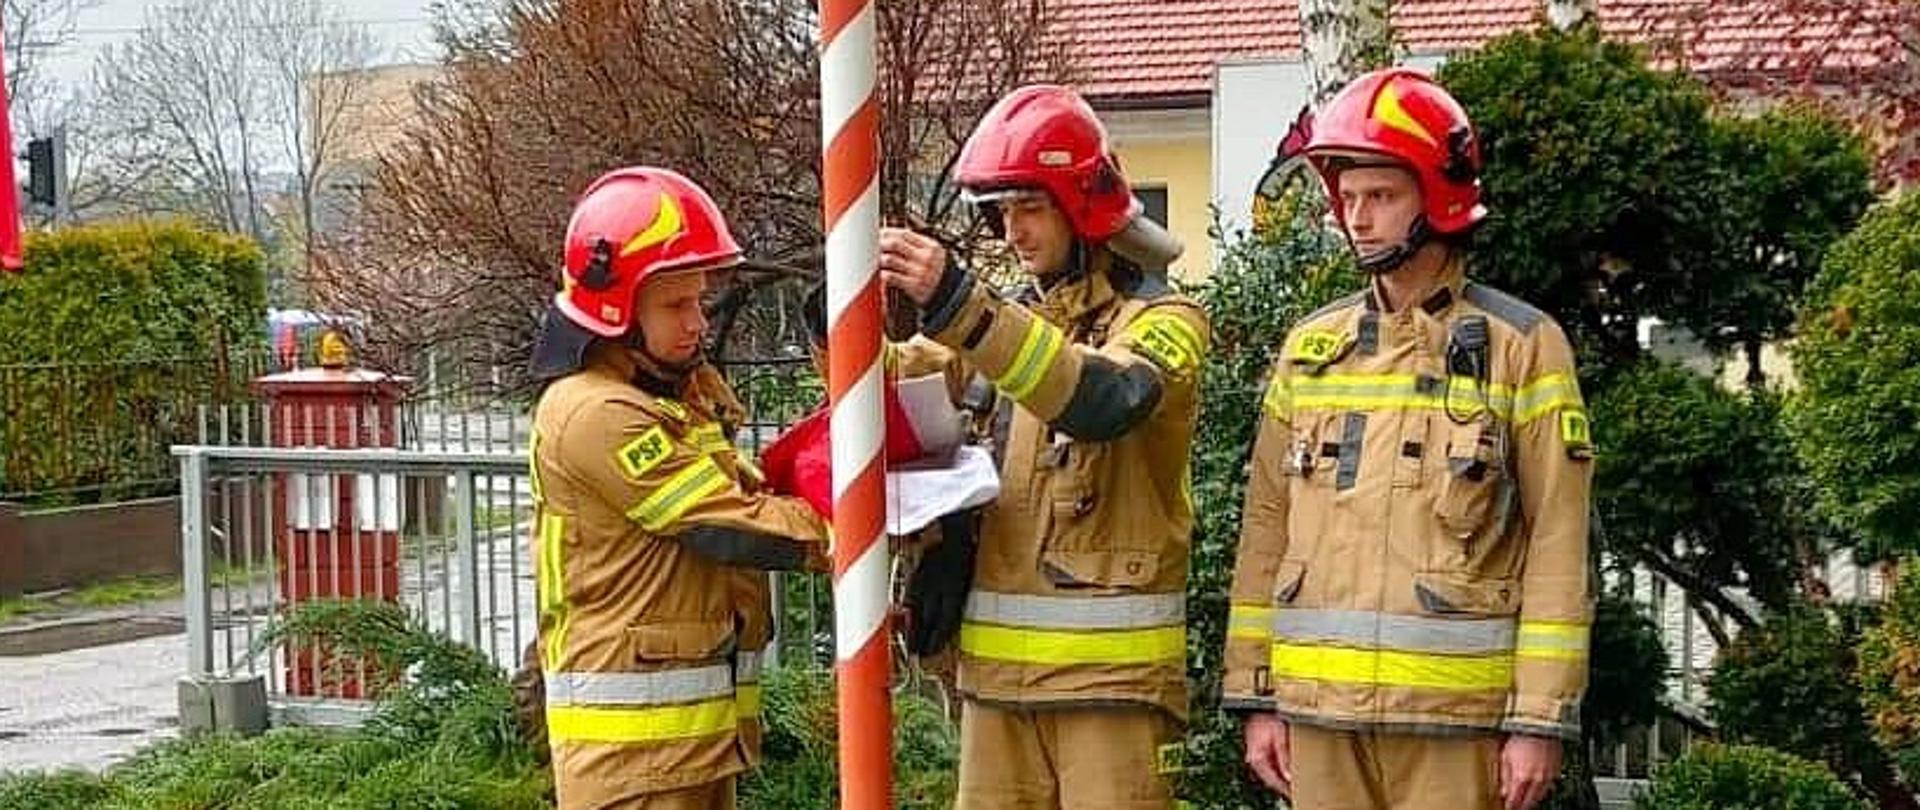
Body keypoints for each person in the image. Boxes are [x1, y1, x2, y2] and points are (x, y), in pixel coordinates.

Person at [1223, 68, 1595, 810]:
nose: (1358, 218)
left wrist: (1538, 720)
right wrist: (1254, 693)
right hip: (1318, 718)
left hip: (1455, 727)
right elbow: (1266, 525)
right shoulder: (1310, 349)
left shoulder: (1521, 345)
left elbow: (1558, 534)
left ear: (1440, 197)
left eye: (1382, 197)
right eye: (1349, 198)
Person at [878, 83, 1211, 810]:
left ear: (1083, 206)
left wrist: (961, 304)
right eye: (1001, 213)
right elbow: (897, 385)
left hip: (1111, 694)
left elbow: (1103, 399)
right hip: (996, 687)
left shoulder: (1167, 319)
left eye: (1029, 208)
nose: (1012, 232)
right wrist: (837, 314)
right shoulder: (1001, 326)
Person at [525, 166, 830, 809]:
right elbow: (721, 523)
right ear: (616, 310)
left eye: (698, 300)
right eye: (674, 305)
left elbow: (747, 491)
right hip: (632, 765)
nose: (698, 323)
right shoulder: (593, 411)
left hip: (688, 751)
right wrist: (858, 529)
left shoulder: (670, 397)